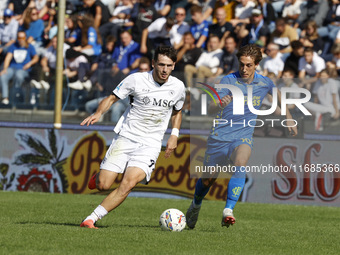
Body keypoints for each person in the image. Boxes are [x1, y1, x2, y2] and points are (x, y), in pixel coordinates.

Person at [185, 44, 297, 229]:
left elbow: (279, 98)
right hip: (219, 137)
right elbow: (211, 108)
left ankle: (228, 210)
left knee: (240, 162)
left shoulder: (265, 82)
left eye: (249, 65)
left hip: (242, 136)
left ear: (257, 65)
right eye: (242, 64)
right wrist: (220, 103)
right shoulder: (228, 80)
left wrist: (289, 118)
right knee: (208, 180)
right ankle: (195, 206)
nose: (244, 69)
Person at [79, 46, 186, 229]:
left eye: (168, 65)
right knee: (104, 185)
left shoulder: (178, 87)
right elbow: (112, 98)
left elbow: (177, 112)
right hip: (126, 137)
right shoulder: (136, 79)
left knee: (128, 183)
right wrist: (99, 113)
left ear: (174, 65)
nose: (164, 70)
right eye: (161, 64)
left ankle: (91, 219)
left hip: (151, 143)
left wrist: (174, 135)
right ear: (153, 63)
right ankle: (98, 178)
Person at [0, 30, 39, 105]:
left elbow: (36, 58)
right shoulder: (13, 46)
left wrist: (29, 64)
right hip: (12, 67)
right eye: (19, 37)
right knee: (3, 76)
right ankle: (5, 97)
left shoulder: (30, 46)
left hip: (24, 69)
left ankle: (15, 94)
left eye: (22, 37)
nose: (20, 39)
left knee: (18, 75)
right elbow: (8, 58)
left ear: (25, 38)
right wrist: (4, 69)